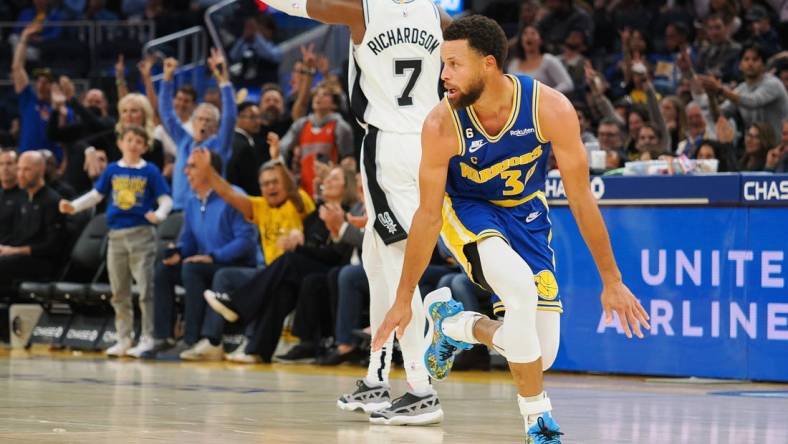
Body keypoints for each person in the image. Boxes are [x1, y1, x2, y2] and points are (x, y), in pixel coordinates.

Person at [372, 16, 650, 443]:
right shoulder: (441, 124)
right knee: (520, 290)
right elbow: (427, 216)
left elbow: (580, 200)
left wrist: (611, 280)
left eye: (453, 64)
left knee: (540, 353)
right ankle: (538, 420)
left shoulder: (549, 108)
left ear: (488, 64)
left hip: (527, 215)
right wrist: (404, 297)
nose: (443, 76)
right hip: (468, 213)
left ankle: (453, 326)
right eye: (442, 65)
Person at [255, 0, 453, 425]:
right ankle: (377, 375)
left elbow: (300, 5)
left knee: (401, 265)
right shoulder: (437, 15)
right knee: (376, 260)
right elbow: (473, 44)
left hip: (386, 145)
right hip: (427, 139)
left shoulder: (362, 9)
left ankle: (421, 387)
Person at [59, 125, 172, 358]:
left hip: (142, 234)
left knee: (145, 289)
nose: (133, 144)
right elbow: (96, 195)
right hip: (116, 236)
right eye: (129, 139)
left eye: (139, 141)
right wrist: (74, 206)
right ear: (120, 143)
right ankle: (123, 338)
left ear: (145, 147)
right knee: (119, 291)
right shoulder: (111, 170)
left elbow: (166, 200)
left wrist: (159, 215)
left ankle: (148, 337)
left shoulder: (150, 171)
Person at [148, 150, 257, 360]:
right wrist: (178, 252)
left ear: (210, 170)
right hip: (206, 265)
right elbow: (188, 241)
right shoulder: (192, 201)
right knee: (165, 270)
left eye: (192, 166)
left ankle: (193, 339)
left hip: (236, 264)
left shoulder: (234, 196)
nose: (185, 171)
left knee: (192, 269)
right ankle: (164, 337)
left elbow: (246, 241)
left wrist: (213, 257)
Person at [159, 50, 236, 210]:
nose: (203, 123)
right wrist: (167, 79)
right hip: (179, 210)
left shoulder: (219, 145)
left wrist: (224, 82)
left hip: (207, 208)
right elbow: (167, 113)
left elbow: (230, 118)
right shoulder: (183, 140)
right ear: (193, 122)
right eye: (200, 119)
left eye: (209, 120)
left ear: (215, 127)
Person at [0, 151, 64, 285]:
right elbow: (16, 236)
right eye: (19, 169)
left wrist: (15, 250)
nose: (20, 175)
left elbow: (53, 245)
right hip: (18, 257)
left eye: (26, 169)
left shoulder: (52, 201)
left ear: (41, 170)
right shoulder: (23, 200)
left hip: (41, 262)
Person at [0, 149, 21, 244]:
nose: (5, 168)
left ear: (18, 166)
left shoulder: (26, 195)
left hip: (10, 251)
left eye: (9, 163)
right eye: (1, 164)